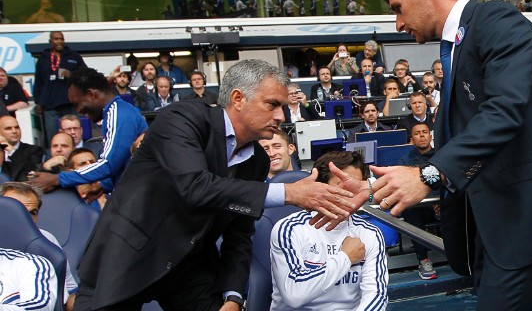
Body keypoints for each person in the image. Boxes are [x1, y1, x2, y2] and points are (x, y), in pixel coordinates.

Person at [346, 0, 532, 309]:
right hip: (491, 227)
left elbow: (504, 111)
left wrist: (430, 174)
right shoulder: (459, 45)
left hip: (527, 220)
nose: (398, 23)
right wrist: (374, 187)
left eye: (399, 8)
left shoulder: (498, 20)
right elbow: (465, 137)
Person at [71, 59, 355, 310]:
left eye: (283, 107)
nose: (281, 116)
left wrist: (233, 297)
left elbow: (239, 232)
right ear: (238, 98)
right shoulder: (183, 119)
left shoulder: (256, 160)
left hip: (189, 267)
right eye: (272, 105)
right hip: (127, 255)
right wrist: (289, 193)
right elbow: (196, 187)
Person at [270, 151, 388, 310]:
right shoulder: (289, 229)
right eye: (343, 187)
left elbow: (376, 295)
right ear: (321, 187)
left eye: (356, 186)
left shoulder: (370, 233)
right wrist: (345, 257)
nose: (351, 195)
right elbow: (294, 294)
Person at [29, 67, 148, 194]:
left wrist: (57, 179)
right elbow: (123, 161)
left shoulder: (118, 113)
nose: (78, 110)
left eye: (77, 104)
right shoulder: (117, 111)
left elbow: (108, 164)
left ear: (91, 94)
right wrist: (102, 186)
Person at [1, 181, 79, 310]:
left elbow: (68, 294)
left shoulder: (46, 242)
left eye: (31, 213)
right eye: (15, 211)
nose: (23, 218)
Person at [398, 123, 439, 280]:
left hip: (442, 204)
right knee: (411, 210)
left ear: (430, 136)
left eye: (425, 132)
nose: (422, 135)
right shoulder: (405, 161)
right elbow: (406, 188)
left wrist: (440, 201)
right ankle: (423, 260)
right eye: (417, 133)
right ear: (412, 139)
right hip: (420, 207)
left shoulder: (442, 156)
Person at [33, 31, 87, 146]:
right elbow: (38, 81)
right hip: (50, 105)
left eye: (61, 39)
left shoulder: (74, 56)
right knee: (54, 138)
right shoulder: (43, 59)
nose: (59, 42)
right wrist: (38, 102)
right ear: (50, 41)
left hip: (71, 103)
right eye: (56, 39)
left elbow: (86, 75)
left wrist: (71, 74)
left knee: (75, 136)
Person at [0, 115, 44, 181]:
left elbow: (30, 173)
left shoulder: (34, 150)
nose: (14, 131)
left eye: (17, 127)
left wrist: (12, 151)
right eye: (8, 128)